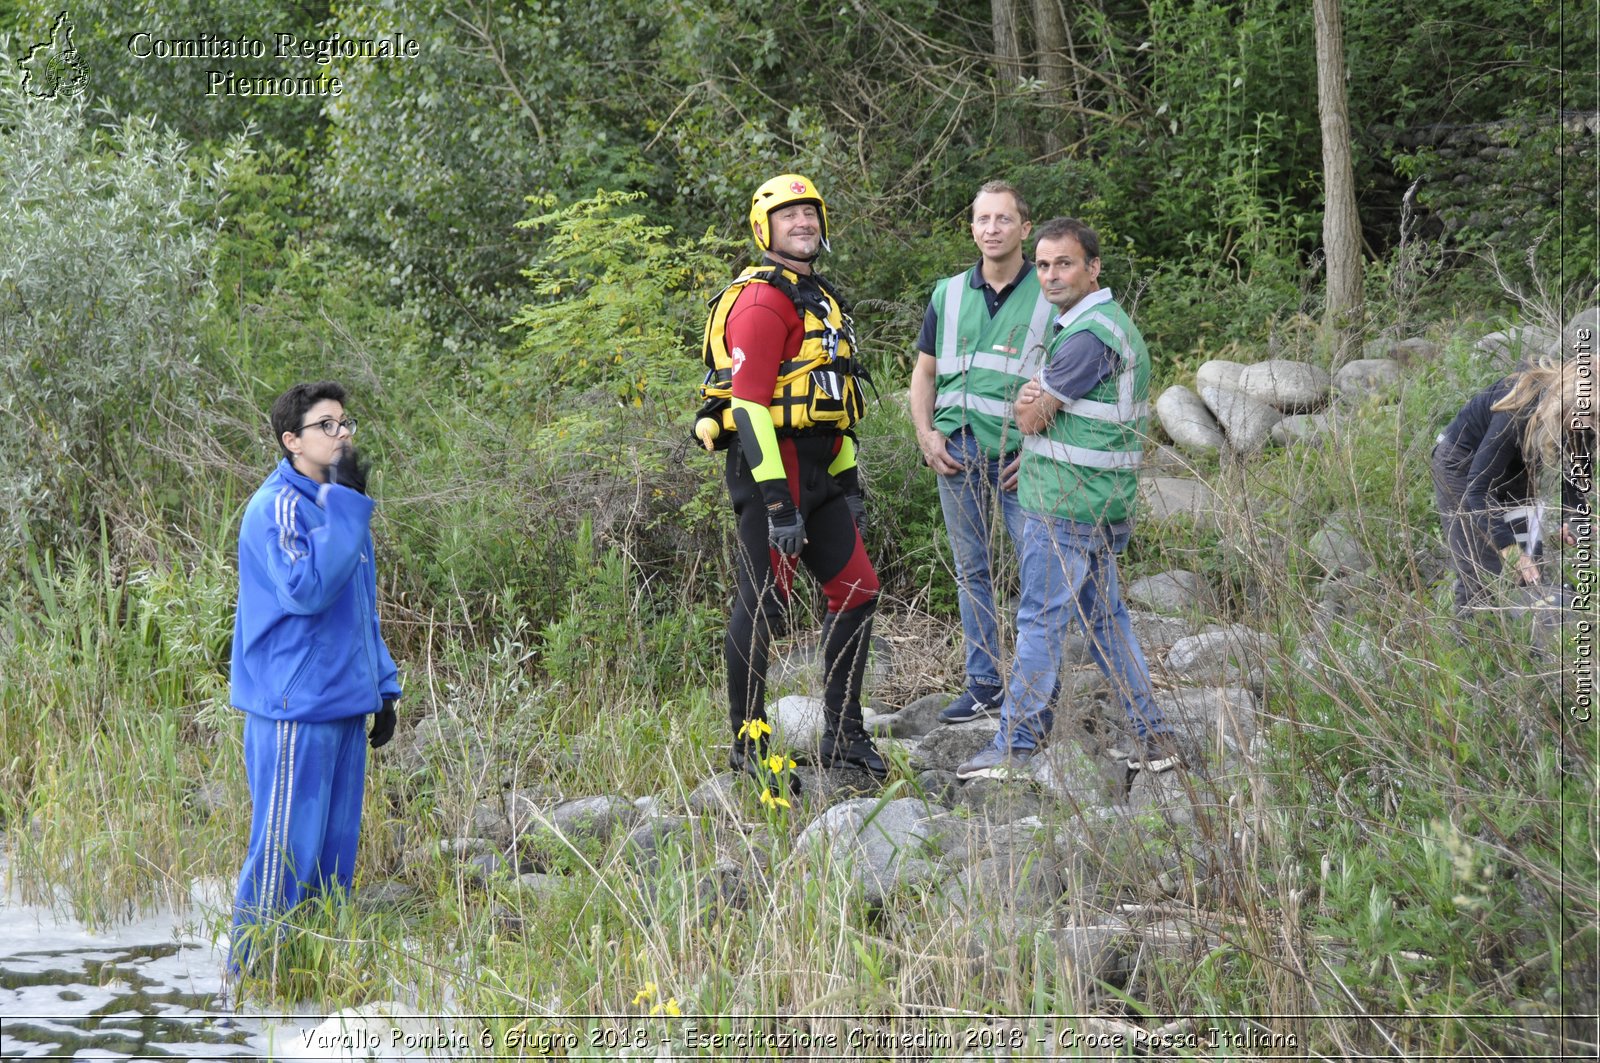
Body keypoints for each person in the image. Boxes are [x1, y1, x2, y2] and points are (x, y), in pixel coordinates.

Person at [955, 218, 1178, 779]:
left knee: (1038, 622)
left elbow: (1030, 417)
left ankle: (1015, 744)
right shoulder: (1091, 325)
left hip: (1066, 508)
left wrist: (1030, 404)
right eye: (1045, 265)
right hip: (1095, 504)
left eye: (1066, 264)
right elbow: (1042, 409)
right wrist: (1034, 401)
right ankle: (1154, 737)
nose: (1052, 275)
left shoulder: (1088, 335)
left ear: (1092, 268)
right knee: (1105, 621)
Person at [702, 173, 886, 789]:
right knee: (762, 605)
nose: (802, 223)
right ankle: (748, 747)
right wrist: (780, 503)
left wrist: (848, 483)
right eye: (789, 216)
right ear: (765, 230)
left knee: (858, 589)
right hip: (770, 476)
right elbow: (751, 406)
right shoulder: (761, 302)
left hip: (822, 469)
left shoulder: (819, 298)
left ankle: (842, 731)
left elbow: (835, 401)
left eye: (810, 213)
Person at [227, 381, 401, 972]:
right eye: (327, 425)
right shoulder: (277, 506)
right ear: (291, 441)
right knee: (283, 856)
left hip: (344, 703)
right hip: (294, 708)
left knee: (332, 860)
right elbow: (305, 592)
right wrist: (349, 506)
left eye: (345, 422)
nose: (342, 434)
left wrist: (382, 687)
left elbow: (359, 607)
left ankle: (306, 988)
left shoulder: (335, 502)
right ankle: (248, 992)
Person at [909, 180, 1057, 724]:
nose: (991, 229)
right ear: (971, 228)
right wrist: (926, 435)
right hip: (957, 449)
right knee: (972, 571)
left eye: (1002, 219)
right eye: (982, 220)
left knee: (1038, 572)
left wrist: (1044, 451)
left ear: (1025, 227)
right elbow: (923, 376)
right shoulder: (948, 293)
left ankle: (1040, 688)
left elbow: (1073, 383)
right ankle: (984, 684)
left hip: (1024, 456)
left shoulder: (1049, 291)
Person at [1431, 356, 1594, 610]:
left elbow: (1576, 475)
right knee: (1483, 569)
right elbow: (1478, 490)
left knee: (1532, 569)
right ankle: (1472, 640)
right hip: (1462, 464)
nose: (1591, 424)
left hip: (1517, 469)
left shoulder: (1586, 418)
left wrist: (1573, 520)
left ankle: (1530, 643)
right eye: (1589, 415)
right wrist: (1509, 549)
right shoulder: (1517, 411)